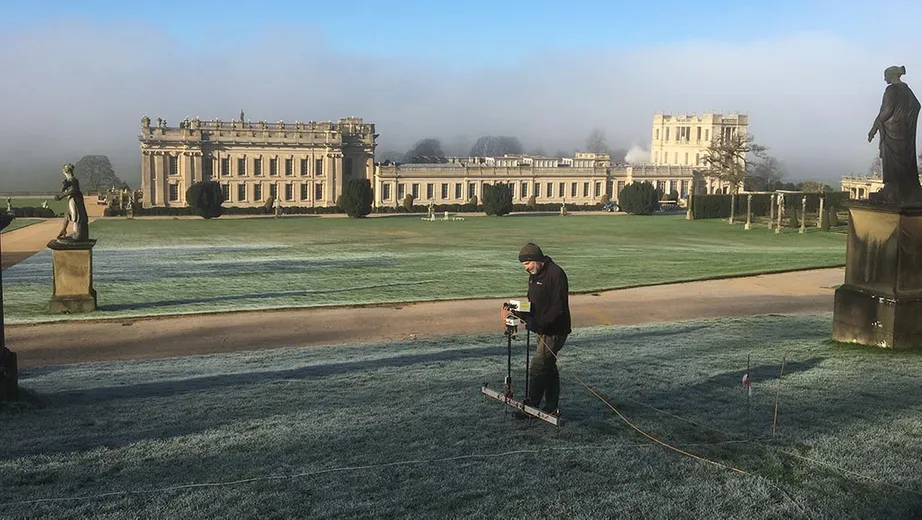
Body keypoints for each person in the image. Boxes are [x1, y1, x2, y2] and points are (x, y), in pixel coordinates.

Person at [503, 242, 571, 415]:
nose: (525, 268)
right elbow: (531, 303)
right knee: (548, 367)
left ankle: (531, 406)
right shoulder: (534, 274)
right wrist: (516, 313)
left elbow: (558, 308)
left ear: (536, 259)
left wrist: (538, 323)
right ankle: (552, 407)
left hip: (555, 331)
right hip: (541, 330)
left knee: (538, 366)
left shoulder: (556, 274)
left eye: (527, 263)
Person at [868, 65, 921, 203]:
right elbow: (917, 106)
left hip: (893, 131)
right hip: (906, 131)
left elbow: (886, 111)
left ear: (891, 75)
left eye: (885, 76)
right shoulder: (907, 91)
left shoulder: (891, 90)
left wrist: (873, 129)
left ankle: (893, 191)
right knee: (905, 161)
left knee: (892, 161)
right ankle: (908, 190)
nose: (884, 79)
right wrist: (905, 119)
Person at [54, 163, 89, 241]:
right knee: (70, 214)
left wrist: (61, 196)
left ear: (66, 173)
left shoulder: (74, 180)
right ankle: (65, 230)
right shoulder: (70, 180)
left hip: (75, 200)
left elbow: (74, 190)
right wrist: (64, 188)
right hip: (73, 199)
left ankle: (79, 235)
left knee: (78, 217)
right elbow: (67, 215)